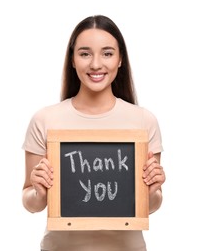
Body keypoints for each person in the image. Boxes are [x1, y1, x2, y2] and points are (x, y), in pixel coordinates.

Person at [22, 14, 166, 251]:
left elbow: (150, 205)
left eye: (107, 53)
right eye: (85, 53)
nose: (96, 64)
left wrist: (152, 190)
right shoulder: (45, 119)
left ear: (120, 59)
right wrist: (38, 191)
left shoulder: (143, 121)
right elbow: (31, 203)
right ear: (72, 59)